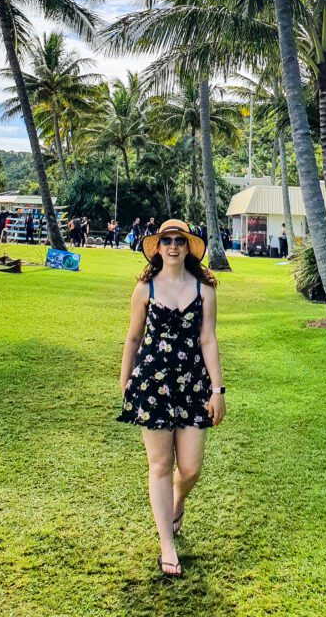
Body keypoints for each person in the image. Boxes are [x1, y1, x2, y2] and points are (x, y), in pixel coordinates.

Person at [117, 219, 226, 579]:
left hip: (194, 385)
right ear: (158, 247)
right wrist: (125, 380)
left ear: (188, 247)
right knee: (161, 465)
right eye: (167, 241)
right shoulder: (145, 288)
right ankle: (167, 545)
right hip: (151, 384)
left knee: (191, 467)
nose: (174, 246)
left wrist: (217, 390)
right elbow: (133, 338)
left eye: (180, 241)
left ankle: (178, 503)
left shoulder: (204, 290)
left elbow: (208, 340)